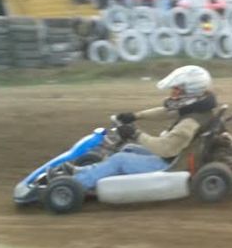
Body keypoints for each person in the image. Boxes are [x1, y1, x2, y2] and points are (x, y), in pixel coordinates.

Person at [51, 66, 219, 190]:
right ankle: (83, 172)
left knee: (120, 159)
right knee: (128, 148)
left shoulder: (189, 123)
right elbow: (166, 112)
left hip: (169, 165)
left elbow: (165, 148)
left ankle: (75, 184)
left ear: (191, 90)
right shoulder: (199, 108)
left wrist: (135, 133)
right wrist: (135, 116)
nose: (172, 93)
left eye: (176, 89)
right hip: (174, 156)